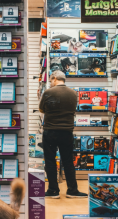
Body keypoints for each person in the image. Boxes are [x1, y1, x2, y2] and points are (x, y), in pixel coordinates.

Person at [39, 70, 87, 198]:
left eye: (50, 81)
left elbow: (41, 109)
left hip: (50, 131)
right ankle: (72, 190)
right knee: (68, 161)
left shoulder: (48, 92)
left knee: (50, 161)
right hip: (67, 132)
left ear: (54, 78)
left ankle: (53, 190)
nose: (50, 83)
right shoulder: (73, 94)